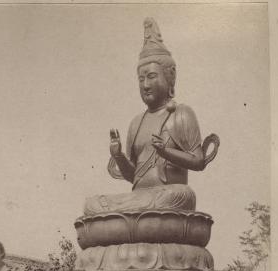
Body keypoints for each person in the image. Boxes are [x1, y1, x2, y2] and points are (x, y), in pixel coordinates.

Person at [84, 18, 212, 215]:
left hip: (169, 196)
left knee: (182, 195)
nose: (145, 85)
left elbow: (198, 162)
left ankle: (133, 217)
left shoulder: (181, 114)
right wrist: (118, 155)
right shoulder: (136, 123)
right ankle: (133, 215)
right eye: (141, 79)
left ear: (169, 78)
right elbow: (132, 175)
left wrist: (166, 152)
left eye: (151, 77)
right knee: (92, 205)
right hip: (141, 199)